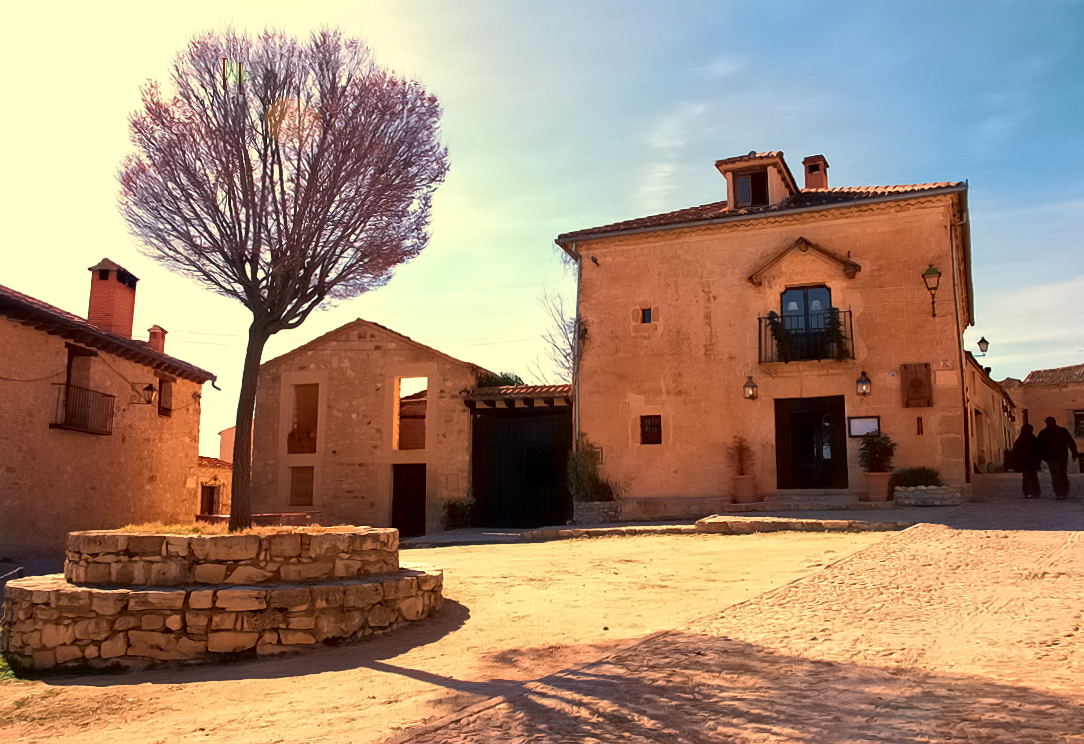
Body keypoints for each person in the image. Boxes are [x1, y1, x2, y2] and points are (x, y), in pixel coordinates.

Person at [1036, 416, 1080, 500]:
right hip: (1062, 456)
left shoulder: (1043, 433)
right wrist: (1074, 452)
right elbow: (1071, 442)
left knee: (1055, 475)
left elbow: (1039, 447)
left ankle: (1059, 493)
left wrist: (1041, 457)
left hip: (1051, 457)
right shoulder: (1062, 430)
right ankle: (1065, 491)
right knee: (1062, 473)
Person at [1011, 424, 1042, 499]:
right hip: (1031, 462)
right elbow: (1039, 451)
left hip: (1025, 462)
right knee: (1033, 477)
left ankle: (1028, 492)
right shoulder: (1034, 440)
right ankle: (1035, 492)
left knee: (1026, 477)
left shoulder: (1020, 440)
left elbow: (1015, 452)